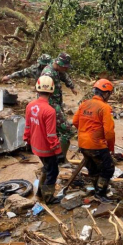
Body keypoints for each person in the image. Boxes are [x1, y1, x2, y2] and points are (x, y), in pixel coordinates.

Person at [72, 79, 116, 200]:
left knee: (93, 168)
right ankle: (100, 193)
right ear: (106, 93)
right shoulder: (105, 107)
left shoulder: (84, 104)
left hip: (82, 143)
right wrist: (110, 147)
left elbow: (75, 121)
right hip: (97, 145)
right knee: (108, 169)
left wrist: (84, 132)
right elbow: (109, 132)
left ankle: (97, 188)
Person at [24, 76, 61, 204]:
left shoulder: (30, 106)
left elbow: (27, 126)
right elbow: (51, 135)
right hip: (46, 148)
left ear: (37, 89)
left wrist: (27, 140)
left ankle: (40, 192)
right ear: (52, 91)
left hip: (35, 146)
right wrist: (58, 149)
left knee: (46, 167)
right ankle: (48, 198)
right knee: (53, 171)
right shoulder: (50, 111)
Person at [40, 53, 78, 163]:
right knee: (68, 131)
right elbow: (43, 94)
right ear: (60, 64)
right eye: (65, 67)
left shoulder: (57, 70)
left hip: (56, 104)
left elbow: (65, 77)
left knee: (56, 133)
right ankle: (61, 160)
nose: (66, 69)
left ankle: (53, 158)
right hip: (51, 106)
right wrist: (54, 111)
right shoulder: (48, 74)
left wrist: (72, 87)